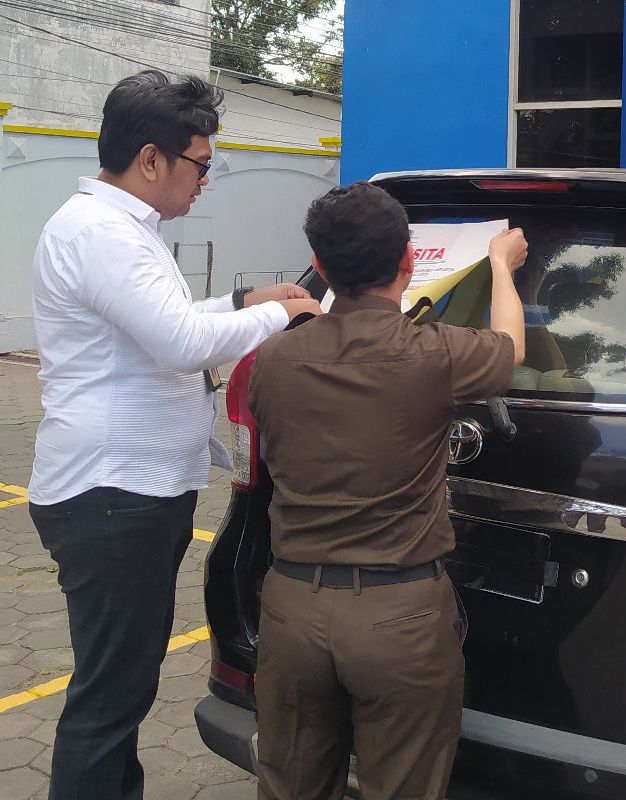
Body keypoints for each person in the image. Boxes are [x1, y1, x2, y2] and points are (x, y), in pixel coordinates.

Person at [26, 70, 321, 800]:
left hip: (127, 492)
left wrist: (245, 299)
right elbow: (181, 341)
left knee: (121, 687)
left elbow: (166, 320)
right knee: (110, 697)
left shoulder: (121, 229)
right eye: (200, 164)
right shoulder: (102, 233)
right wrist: (282, 315)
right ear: (151, 158)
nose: (205, 181)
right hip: (112, 496)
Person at [248, 181, 527, 800]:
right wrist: (502, 268)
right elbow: (509, 352)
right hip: (399, 618)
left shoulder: (272, 360)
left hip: (291, 609)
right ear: (408, 259)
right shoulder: (430, 353)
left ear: (319, 266)